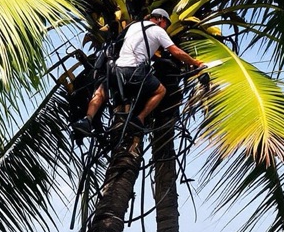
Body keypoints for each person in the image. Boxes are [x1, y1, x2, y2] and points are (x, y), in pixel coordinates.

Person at [75, 8, 205, 137]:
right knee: (161, 91)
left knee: (100, 93)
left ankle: (87, 119)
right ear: (160, 19)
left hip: (116, 70)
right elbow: (176, 52)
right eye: (166, 24)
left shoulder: (134, 26)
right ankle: (139, 119)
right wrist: (196, 63)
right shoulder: (158, 31)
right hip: (134, 73)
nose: (166, 27)